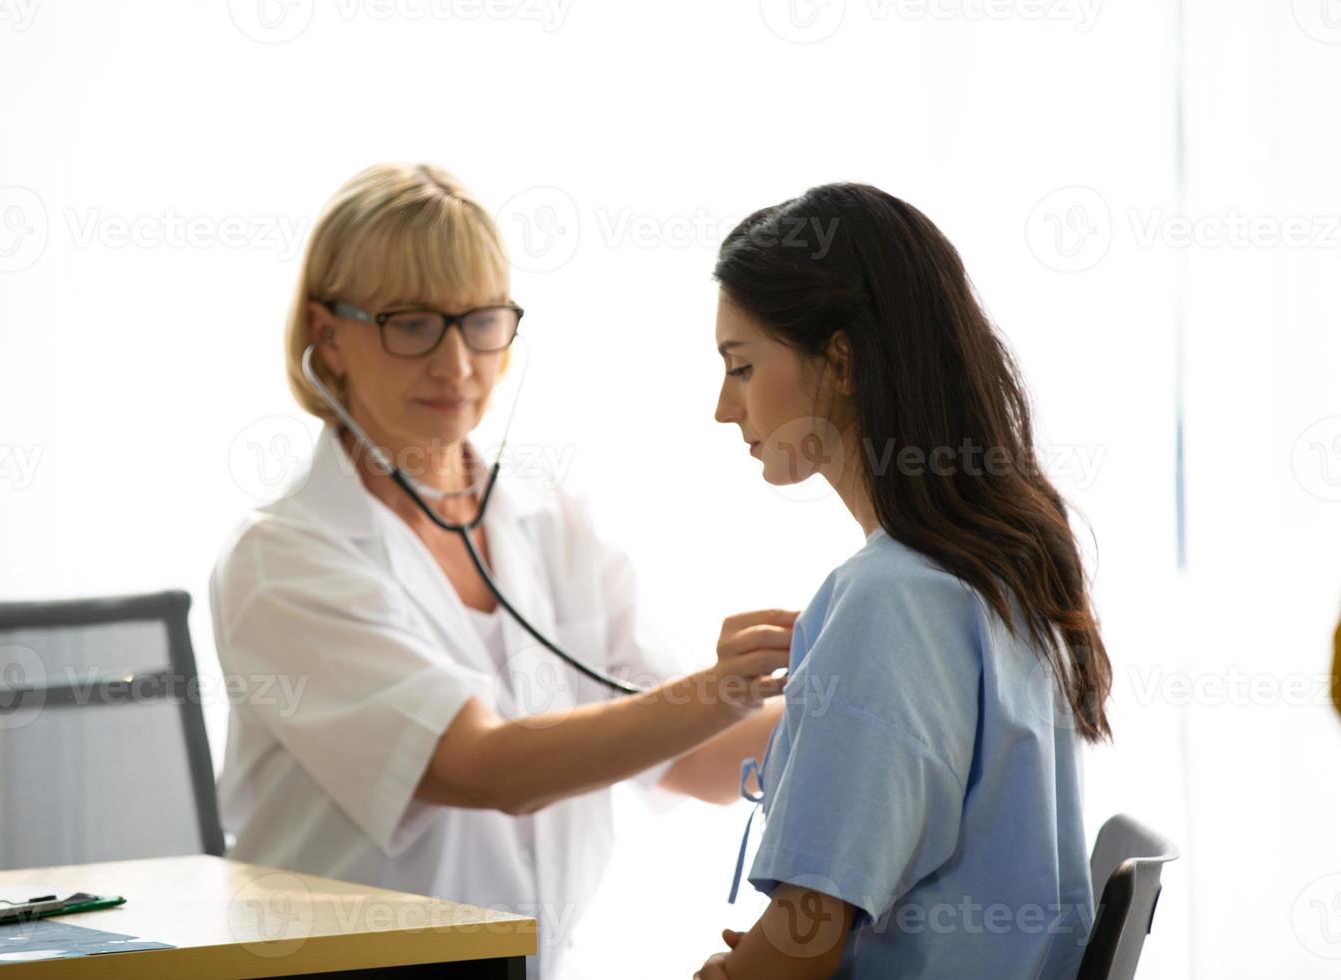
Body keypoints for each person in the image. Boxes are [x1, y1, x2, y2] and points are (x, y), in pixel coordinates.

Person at [210, 162, 791, 980]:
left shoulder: (553, 520)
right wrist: (724, 686)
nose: (455, 362)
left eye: (481, 321)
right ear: (327, 336)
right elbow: (491, 769)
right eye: (410, 323)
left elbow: (696, 757)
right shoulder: (283, 560)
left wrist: (876, 692)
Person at [697, 183, 1113, 979]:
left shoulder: (890, 600)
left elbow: (800, 945)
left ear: (842, 361)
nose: (724, 408)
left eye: (742, 367)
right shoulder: (1000, 573)